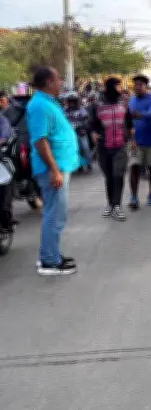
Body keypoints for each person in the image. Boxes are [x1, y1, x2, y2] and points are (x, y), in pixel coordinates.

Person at [26, 67, 79, 276]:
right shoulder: (39, 105)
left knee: (56, 213)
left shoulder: (46, 102)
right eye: (59, 80)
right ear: (49, 81)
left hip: (58, 167)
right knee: (54, 215)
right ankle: (49, 261)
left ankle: (51, 254)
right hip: (52, 169)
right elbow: (39, 140)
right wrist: (54, 170)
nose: (61, 83)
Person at [89, 77, 132, 221]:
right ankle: (110, 204)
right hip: (103, 146)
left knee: (118, 174)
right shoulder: (97, 105)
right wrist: (93, 133)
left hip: (120, 146)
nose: (120, 89)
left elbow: (130, 122)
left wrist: (131, 138)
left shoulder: (124, 104)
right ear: (110, 87)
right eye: (118, 86)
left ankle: (118, 205)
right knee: (109, 177)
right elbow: (91, 123)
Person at [128, 74, 151, 209]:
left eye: (140, 85)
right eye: (135, 85)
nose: (137, 87)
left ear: (145, 86)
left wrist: (140, 115)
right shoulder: (131, 100)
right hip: (136, 141)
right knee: (134, 167)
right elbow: (128, 118)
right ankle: (134, 197)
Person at [64, 91, 93, 172]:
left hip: (81, 131)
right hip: (70, 133)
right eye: (70, 101)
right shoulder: (65, 110)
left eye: (73, 101)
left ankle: (88, 163)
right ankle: (78, 164)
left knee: (85, 147)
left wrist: (83, 124)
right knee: (75, 148)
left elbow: (86, 118)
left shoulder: (81, 109)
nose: (72, 103)